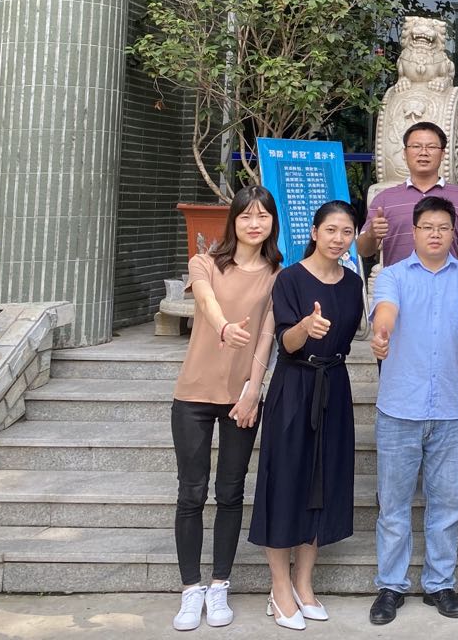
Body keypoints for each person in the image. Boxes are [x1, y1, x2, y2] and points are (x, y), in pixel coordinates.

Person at [248, 200, 365, 630]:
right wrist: (304, 328)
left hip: (334, 385)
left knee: (323, 483)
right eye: (330, 230)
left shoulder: (353, 284)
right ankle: (279, 587)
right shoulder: (290, 279)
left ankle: (303, 582)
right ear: (314, 232)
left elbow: (349, 339)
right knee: (286, 482)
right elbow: (286, 341)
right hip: (294, 387)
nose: (338, 239)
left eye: (347, 232)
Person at [170, 186, 281, 631]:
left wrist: (254, 390)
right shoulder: (205, 262)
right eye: (246, 216)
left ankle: (219, 585)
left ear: (272, 222)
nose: (254, 224)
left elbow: (268, 335)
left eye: (262, 216)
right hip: (194, 394)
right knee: (191, 492)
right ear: (233, 221)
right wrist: (223, 329)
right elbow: (206, 301)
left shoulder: (277, 274)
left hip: (242, 398)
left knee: (231, 492)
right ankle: (190, 589)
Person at [367, 196, 458, 626]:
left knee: (448, 503)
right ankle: (391, 586)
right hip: (399, 408)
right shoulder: (392, 275)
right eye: (427, 227)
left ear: (454, 234)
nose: (435, 234)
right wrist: (381, 333)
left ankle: (440, 584)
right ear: (413, 232)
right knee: (394, 505)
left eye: (443, 227)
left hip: (449, 407)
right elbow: (386, 311)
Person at [357, 121, 458, 267]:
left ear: (442, 154)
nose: (423, 152)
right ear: (405, 153)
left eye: (431, 147)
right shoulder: (384, 198)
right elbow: (364, 251)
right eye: (416, 146)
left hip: (447, 281)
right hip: (398, 281)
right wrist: (371, 234)